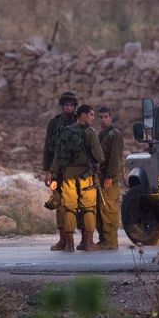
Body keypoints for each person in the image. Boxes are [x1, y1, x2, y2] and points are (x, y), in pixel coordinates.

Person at [48, 104, 104, 253]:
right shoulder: (90, 133)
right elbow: (99, 156)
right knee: (89, 209)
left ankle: (69, 244)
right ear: (83, 115)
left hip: (68, 175)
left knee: (69, 209)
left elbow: (57, 156)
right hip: (86, 175)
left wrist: (54, 175)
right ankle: (89, 243)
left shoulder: (65, 132)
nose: (93, 117)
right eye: (91, 114)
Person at [42, 91, 79, 249]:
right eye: (66, 105)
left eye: (71, 105)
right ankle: (63, 239)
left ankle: (84, 240)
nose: (68, 108)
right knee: (59, 203)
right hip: (58, 169)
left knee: (82, 205)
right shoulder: (54, 123)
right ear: (62, 107)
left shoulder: (80, 121)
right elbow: (48, 149)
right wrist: (47, 171)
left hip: (77, 170)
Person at [95, 106, 124, 250]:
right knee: (100, 209)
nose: (103, 120)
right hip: (100, 177)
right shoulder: (102, 134)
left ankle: (111, 241)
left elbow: (115, 158)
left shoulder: (115, 134)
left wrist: (110, 177)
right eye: (100, 117)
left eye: (105, 117)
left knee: (109, 209)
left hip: (109, 179)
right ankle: (103, 240)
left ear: (110, 118)